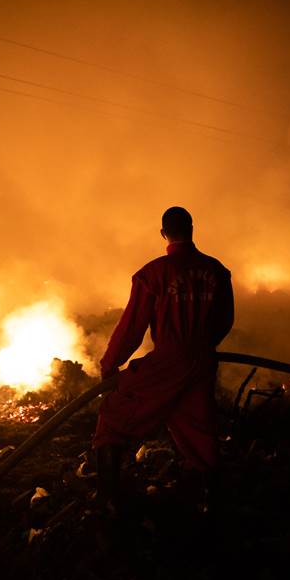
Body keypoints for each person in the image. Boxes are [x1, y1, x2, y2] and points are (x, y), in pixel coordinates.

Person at [93, 206, 234, 512]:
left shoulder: (153, 274)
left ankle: (107, 500)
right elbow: (225, 319)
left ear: (163, 234)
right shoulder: (218, 271)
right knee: (197, 427)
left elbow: (132, 328)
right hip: (203, 362)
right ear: (193, 229)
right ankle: (214, 502)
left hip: (169, 361)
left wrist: (109, 365)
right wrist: (204, 347)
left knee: (113, 416)